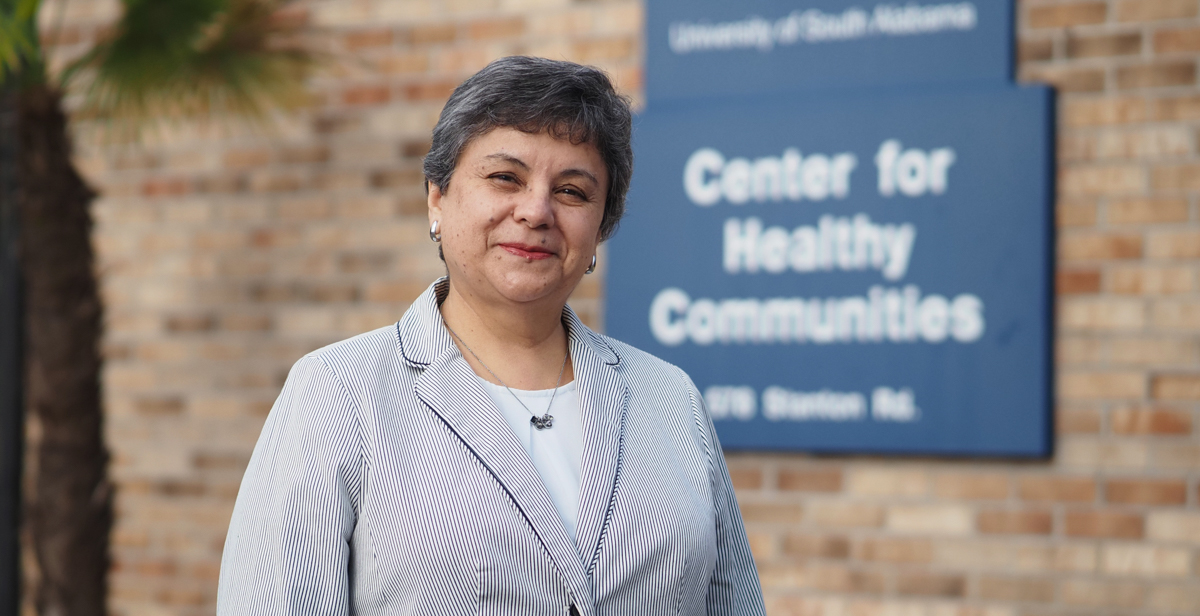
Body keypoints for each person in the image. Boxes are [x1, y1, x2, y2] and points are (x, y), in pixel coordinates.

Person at [217, 55, 766, 616]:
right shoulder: (336, 394)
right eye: (506, 177)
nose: (536, 211)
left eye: (573, 191)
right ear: (437, 197)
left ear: (601, 226)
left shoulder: (669, 399)